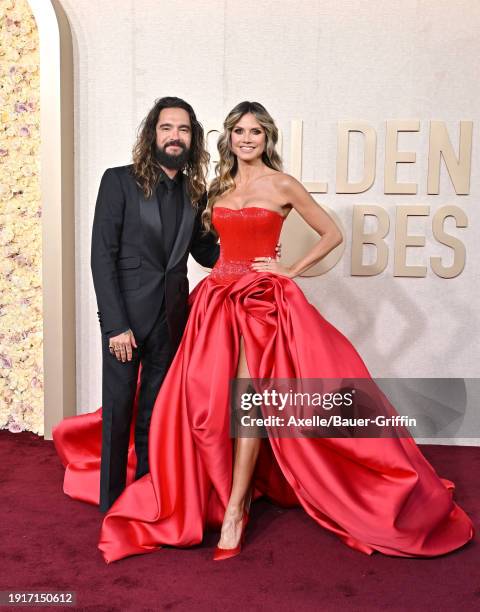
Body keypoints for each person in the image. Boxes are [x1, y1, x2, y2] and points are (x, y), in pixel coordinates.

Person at [55, 101, 474, 564]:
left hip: (261, 302)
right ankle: (193, 489)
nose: (247, 139)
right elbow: (207, 249)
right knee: (198, 401)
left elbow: (331, 232)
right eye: (239, 131)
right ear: (227, 138)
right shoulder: (213, 188)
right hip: (216, 301)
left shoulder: (282, 184)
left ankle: (235, 509)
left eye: (255, 131)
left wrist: (289, 269)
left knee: (247, 398)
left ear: (266, 137)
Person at [54, 97, 220, 511]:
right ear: (153, 134)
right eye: (167, 128)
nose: (175, 136)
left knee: (156, 414)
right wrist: (114, 326)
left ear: (192, 139)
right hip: (125, 322)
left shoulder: (194, 192)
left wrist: (251, 249)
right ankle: (112, 503)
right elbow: (101, 256)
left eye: (183, 129)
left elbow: (204, 252)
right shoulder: (118, 181)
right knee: (118, 412)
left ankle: (147, 494)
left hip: (171, 320)